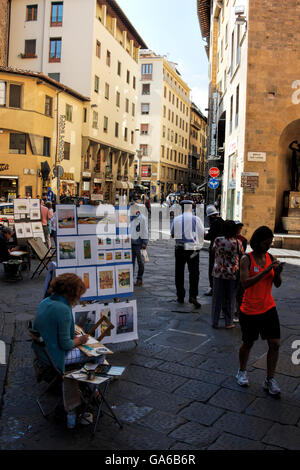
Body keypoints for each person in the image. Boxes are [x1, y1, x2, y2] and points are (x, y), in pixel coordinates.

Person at [236, 226, 283, 396]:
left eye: (270, 243)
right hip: (249, 310)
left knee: (275, 344)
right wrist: (266, 271)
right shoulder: (246, 259)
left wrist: (277, 273)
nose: (268, 246)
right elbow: (245, 283)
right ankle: (241, 371)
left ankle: (270, 379)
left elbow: (277, 283)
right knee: (248, 343)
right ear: (257, 242)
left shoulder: (271, 258)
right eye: (265, 243)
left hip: (268, 308)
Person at [32, 273, 90, 373]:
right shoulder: (63, 309)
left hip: (41, 352)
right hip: (53, 357)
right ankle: (93, 387)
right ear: (73, 294)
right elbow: (66, 345)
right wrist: (81, 340)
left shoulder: (45, 301)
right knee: (99, 354)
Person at [171, 200, 204, 308]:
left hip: (180, 248)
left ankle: (180, 296)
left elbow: (172, 234)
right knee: (194, 273)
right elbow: (201, 233)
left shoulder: (176, 219)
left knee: (179, 273)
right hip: (192, 249)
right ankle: (193, 296)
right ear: (191, 208)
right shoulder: (196, 219)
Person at [211, 220, 244, 329]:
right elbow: (242, 256)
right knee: (230, 298)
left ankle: (215, 322)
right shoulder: (238, 243)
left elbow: (213, 251)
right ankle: (228, 322)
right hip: (232, 274)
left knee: (217, 298)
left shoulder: (218, 240)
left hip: (218, 272)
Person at [204, 205, 225, 296]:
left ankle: (213, 287)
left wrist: (204, 235)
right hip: (223, 250)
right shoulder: (222, 222)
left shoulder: (215, 223)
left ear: (211, 216)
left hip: (214, 249)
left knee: (212, 268)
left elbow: (210, 236)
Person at [130, 209, 148, 287]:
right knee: (130, 263)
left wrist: (145, 243)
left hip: (139, 244)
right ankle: (130, 280)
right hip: (130, 244)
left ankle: (139, 279)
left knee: (141, 262)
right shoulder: (129, 218)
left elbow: (145, 231)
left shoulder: (142, 218)